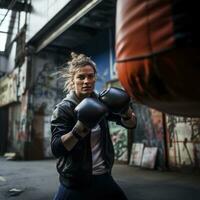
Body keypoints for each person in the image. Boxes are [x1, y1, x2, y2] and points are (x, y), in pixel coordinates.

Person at [51, 52, 137, 200]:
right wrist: (79, 129)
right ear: (73, 80)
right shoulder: (64, 109)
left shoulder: (101, 102)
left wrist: (125, 110)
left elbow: (131, 124)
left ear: (95, 78)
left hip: (103, 176)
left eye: (90, 76)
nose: (86, 81)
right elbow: (57, 148)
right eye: (81, 77)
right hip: (75, 181)